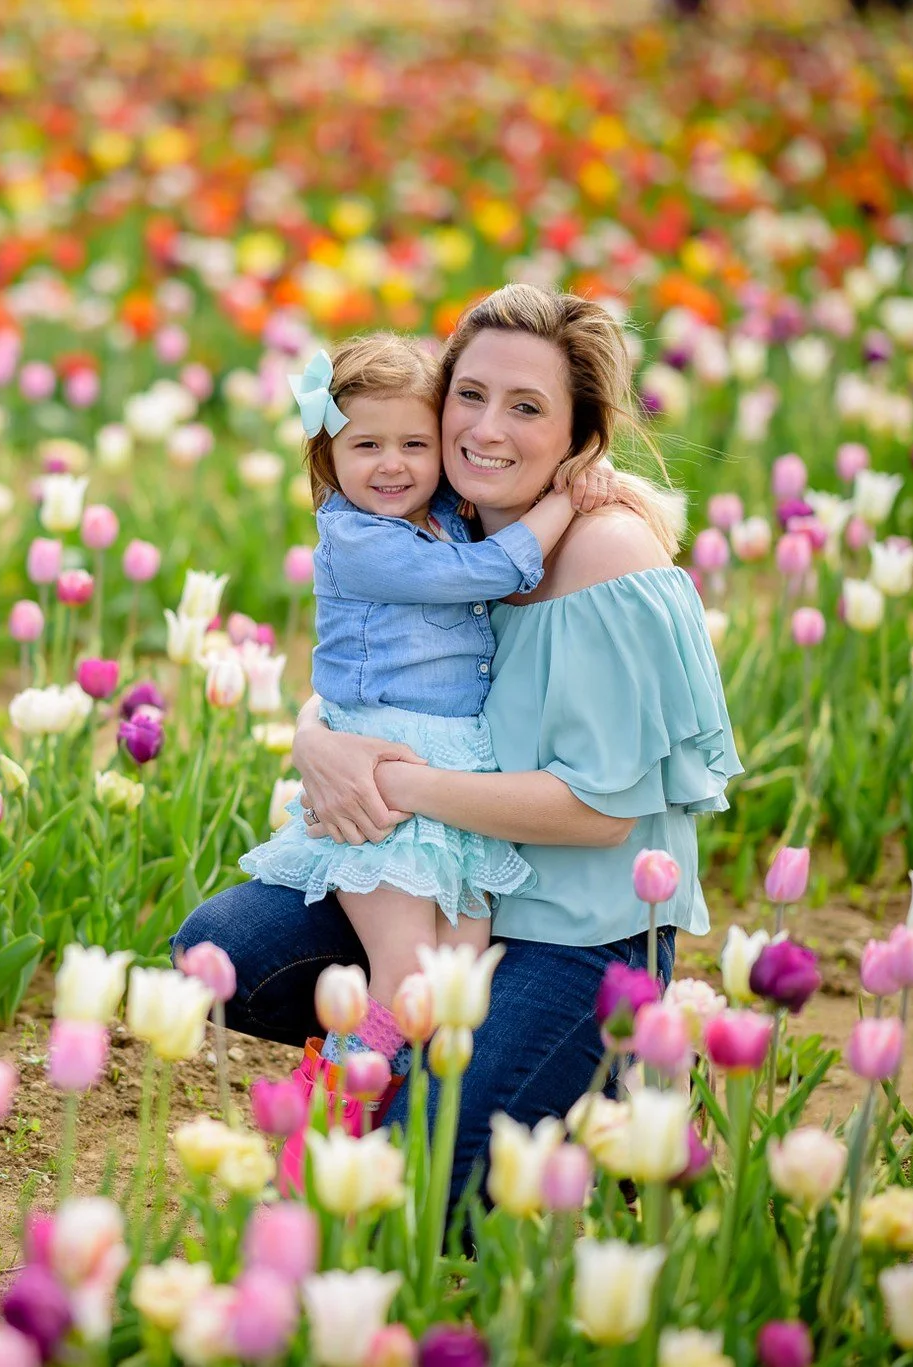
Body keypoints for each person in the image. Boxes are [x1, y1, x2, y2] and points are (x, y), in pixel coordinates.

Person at [174, 282, 741, 1209]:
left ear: (579, 435)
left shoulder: (607, 553)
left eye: (527, 407)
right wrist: (317, 739)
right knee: (224, 949)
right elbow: (382, 676)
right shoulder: (443, 521)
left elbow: (601, 814)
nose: (486, 428)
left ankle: (608, 1080)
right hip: (452, 886)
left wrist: (396, 782)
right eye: (469, 395)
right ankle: (451, 1071)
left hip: (574, 933)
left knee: (418, 1189)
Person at [237, 333, 611, 1092]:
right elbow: (486, 571)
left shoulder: (442, 511)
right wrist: (568, 501)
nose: (393, 465)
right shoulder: (357, 537)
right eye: (366, 444)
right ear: (327, 455)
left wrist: (575, 474)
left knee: (458, 976)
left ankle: (405, 1108)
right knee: (406, 971)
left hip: (458, 774)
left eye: (415, 443)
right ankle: (337, 1098)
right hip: (383, 776)